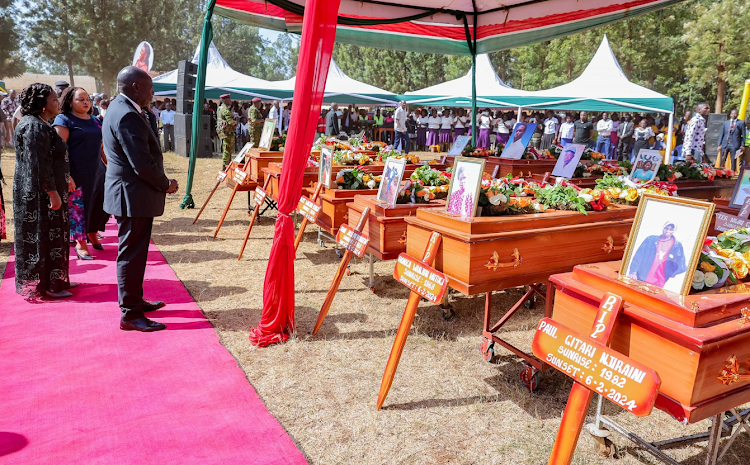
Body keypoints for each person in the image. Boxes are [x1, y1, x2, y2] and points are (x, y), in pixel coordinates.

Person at [103, 66, 179, 332]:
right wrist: (166, 184)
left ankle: (134, 301)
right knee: (131, 256)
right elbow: (142, 164)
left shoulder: (122, 108)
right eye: (149, 87)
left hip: (131, 194)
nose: (152, 92)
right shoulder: (126, 114)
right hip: (131, 195)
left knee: (135, 254)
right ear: (135, 87)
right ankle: (130, 314)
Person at [13, 83, 75, 299]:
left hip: (47, 191)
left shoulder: (40, 124)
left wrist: (65, 180)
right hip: (39, 197)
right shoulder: (34, 127)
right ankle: (47, 285)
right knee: (42, 237)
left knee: (54, 235)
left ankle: (55, 277)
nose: (58, 102)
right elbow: (37, 164)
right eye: (54, 99)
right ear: (42, 104)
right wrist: (52, 193)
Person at [52, 86, 108, 260]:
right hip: (76, 173)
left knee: (98, 204)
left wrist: (110, 166)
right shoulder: (63, 120)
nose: (86, 102)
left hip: (98, 171)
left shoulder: (95, 120)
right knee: (79, 209)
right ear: (69, 102)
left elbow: (101, 147)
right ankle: (80, 243)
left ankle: (92, 233)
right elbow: (57, 151)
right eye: (80, 99)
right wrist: (65, 175)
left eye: (87, 99)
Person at [628, 222, 687, 289]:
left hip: (659, 281)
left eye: (671, 229)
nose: (668, 231)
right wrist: (633, 271)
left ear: (674, 231)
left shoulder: (677, 245)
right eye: (666, 228)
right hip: (641, 277)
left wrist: (670, 273)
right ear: (663, 228)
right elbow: (639, 256)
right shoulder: (650, 240)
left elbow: (681, 265)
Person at [216, 94, 237, 167]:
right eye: (229, 99)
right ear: (224, 100)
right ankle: (225, 166)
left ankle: (227, 164)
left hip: (222, 131)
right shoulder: (225, 109)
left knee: (226, 148)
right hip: (227, 132)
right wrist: (235, 123)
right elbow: (231, 121)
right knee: (228, 149)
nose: (230, 101)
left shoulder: (219, 108)